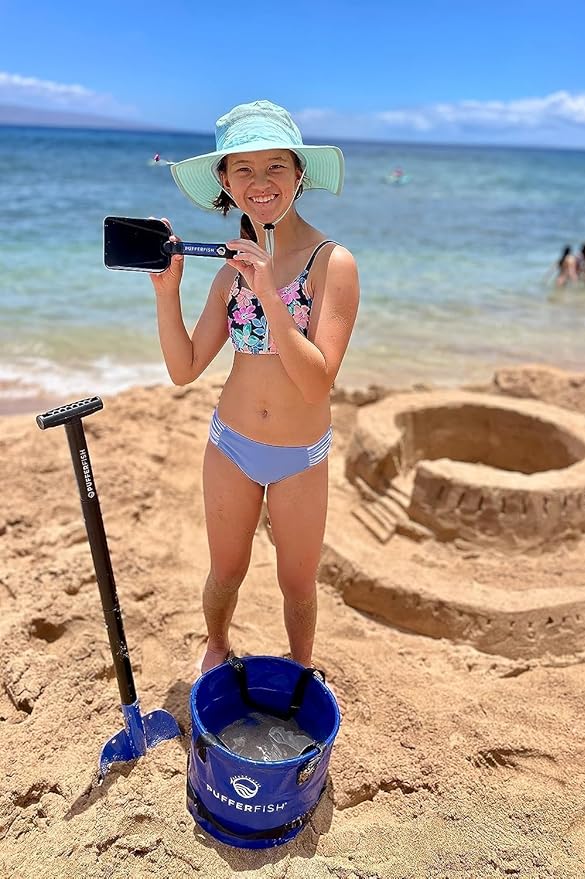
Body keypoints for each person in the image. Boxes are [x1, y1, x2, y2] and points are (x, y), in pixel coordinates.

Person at [149, 100, 360, 673]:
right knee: (226, 572)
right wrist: (167, 293)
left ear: (299, 175)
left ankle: (300, 670)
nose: (260, 182)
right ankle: (217, 643)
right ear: (224, 182)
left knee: (298, 584)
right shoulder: (229, 271)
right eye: (242, 169)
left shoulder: (330, 263)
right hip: (231, 446)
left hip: (299, 456)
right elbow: (185, 367)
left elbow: (318, 381)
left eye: (274, 167)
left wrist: (269, 290)